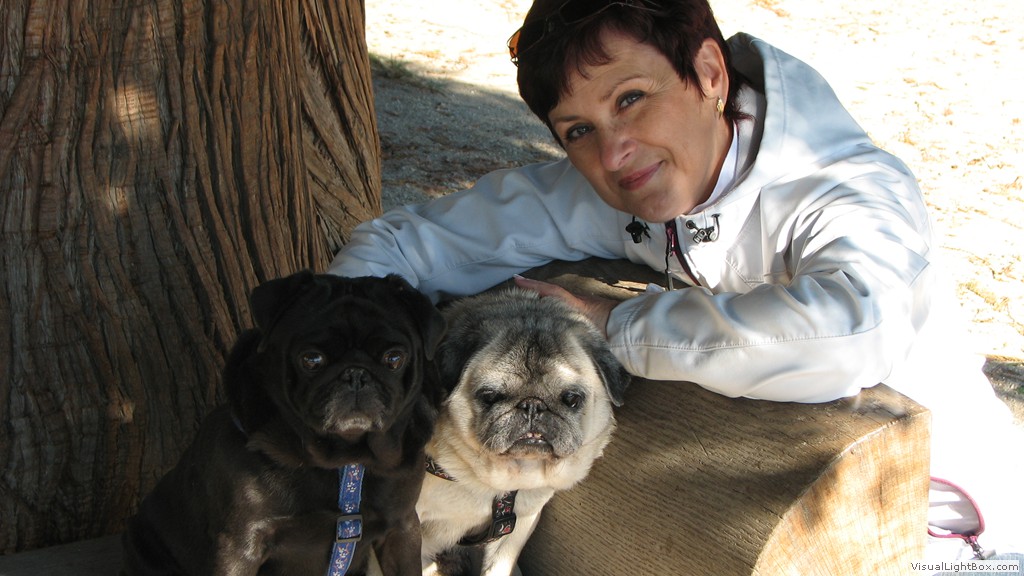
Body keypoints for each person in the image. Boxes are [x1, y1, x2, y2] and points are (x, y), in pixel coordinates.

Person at [328, 0, 1022, 565]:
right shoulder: (623, 179)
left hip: (945, 534)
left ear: (710, 72)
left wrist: (615, 326)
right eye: (578, 129)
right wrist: (341, 357)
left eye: (631, 98)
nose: (613, 151)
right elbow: (404, 244)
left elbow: (849, 333)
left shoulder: (847, 190)